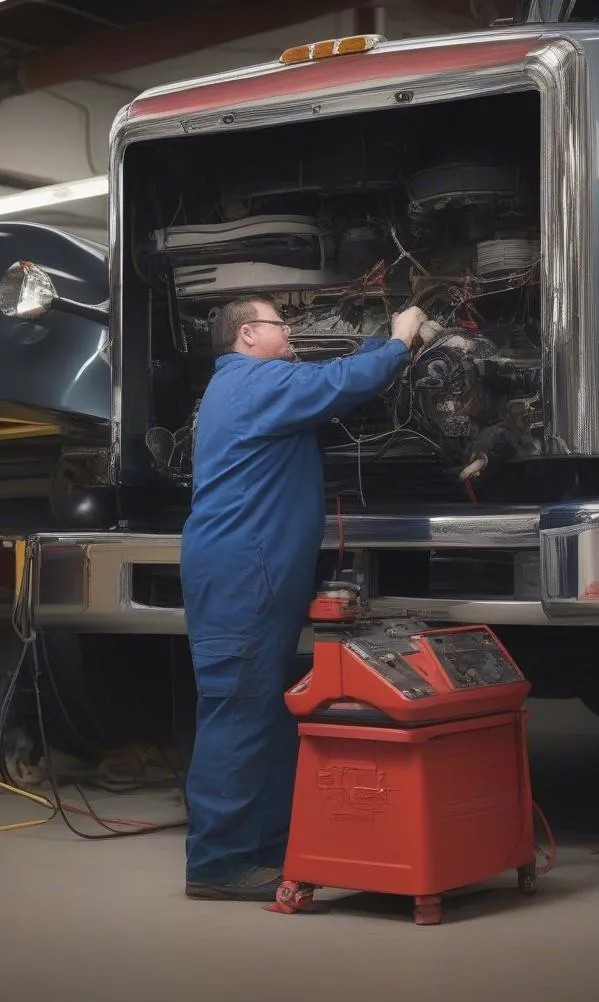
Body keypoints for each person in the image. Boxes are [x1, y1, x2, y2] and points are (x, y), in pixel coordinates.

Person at [180, 295, 428, 900]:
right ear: (246, 335)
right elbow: (337, 383)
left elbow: (326, 381)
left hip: (249, 570)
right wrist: (397, 343)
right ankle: (217, 864)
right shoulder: (253, 385)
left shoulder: (248, 386)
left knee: (260, 710)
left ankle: (259, 849)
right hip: (243, 572)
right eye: (277, 323)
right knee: (236, 710)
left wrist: (381, 346)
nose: (288, 331)